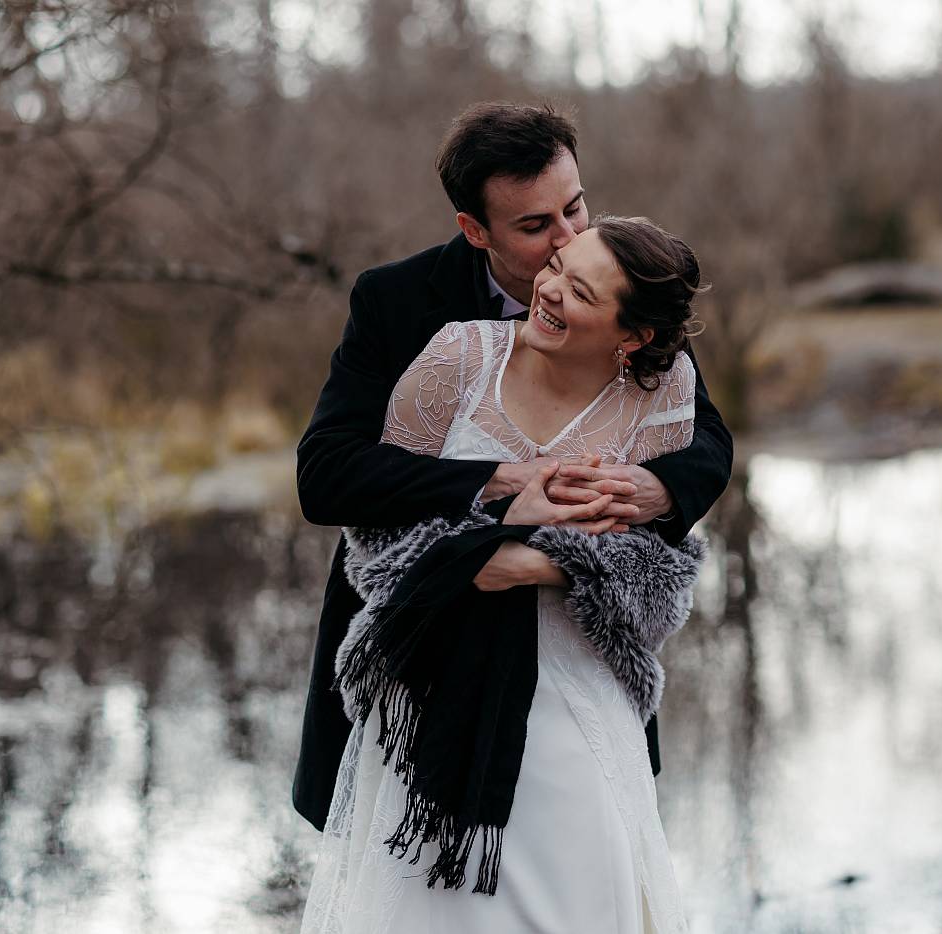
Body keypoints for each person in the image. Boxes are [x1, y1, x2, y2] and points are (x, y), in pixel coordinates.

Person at [293, 101, 733, 835]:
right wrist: (498, 480)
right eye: (537, 228)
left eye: (575, 207)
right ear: (475, 230)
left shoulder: (620, 282)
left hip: (576, 665)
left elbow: (706, 438)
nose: (569, 238)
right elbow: (328, 474)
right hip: (422, 655)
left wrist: (658, 490)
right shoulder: (398, 303)